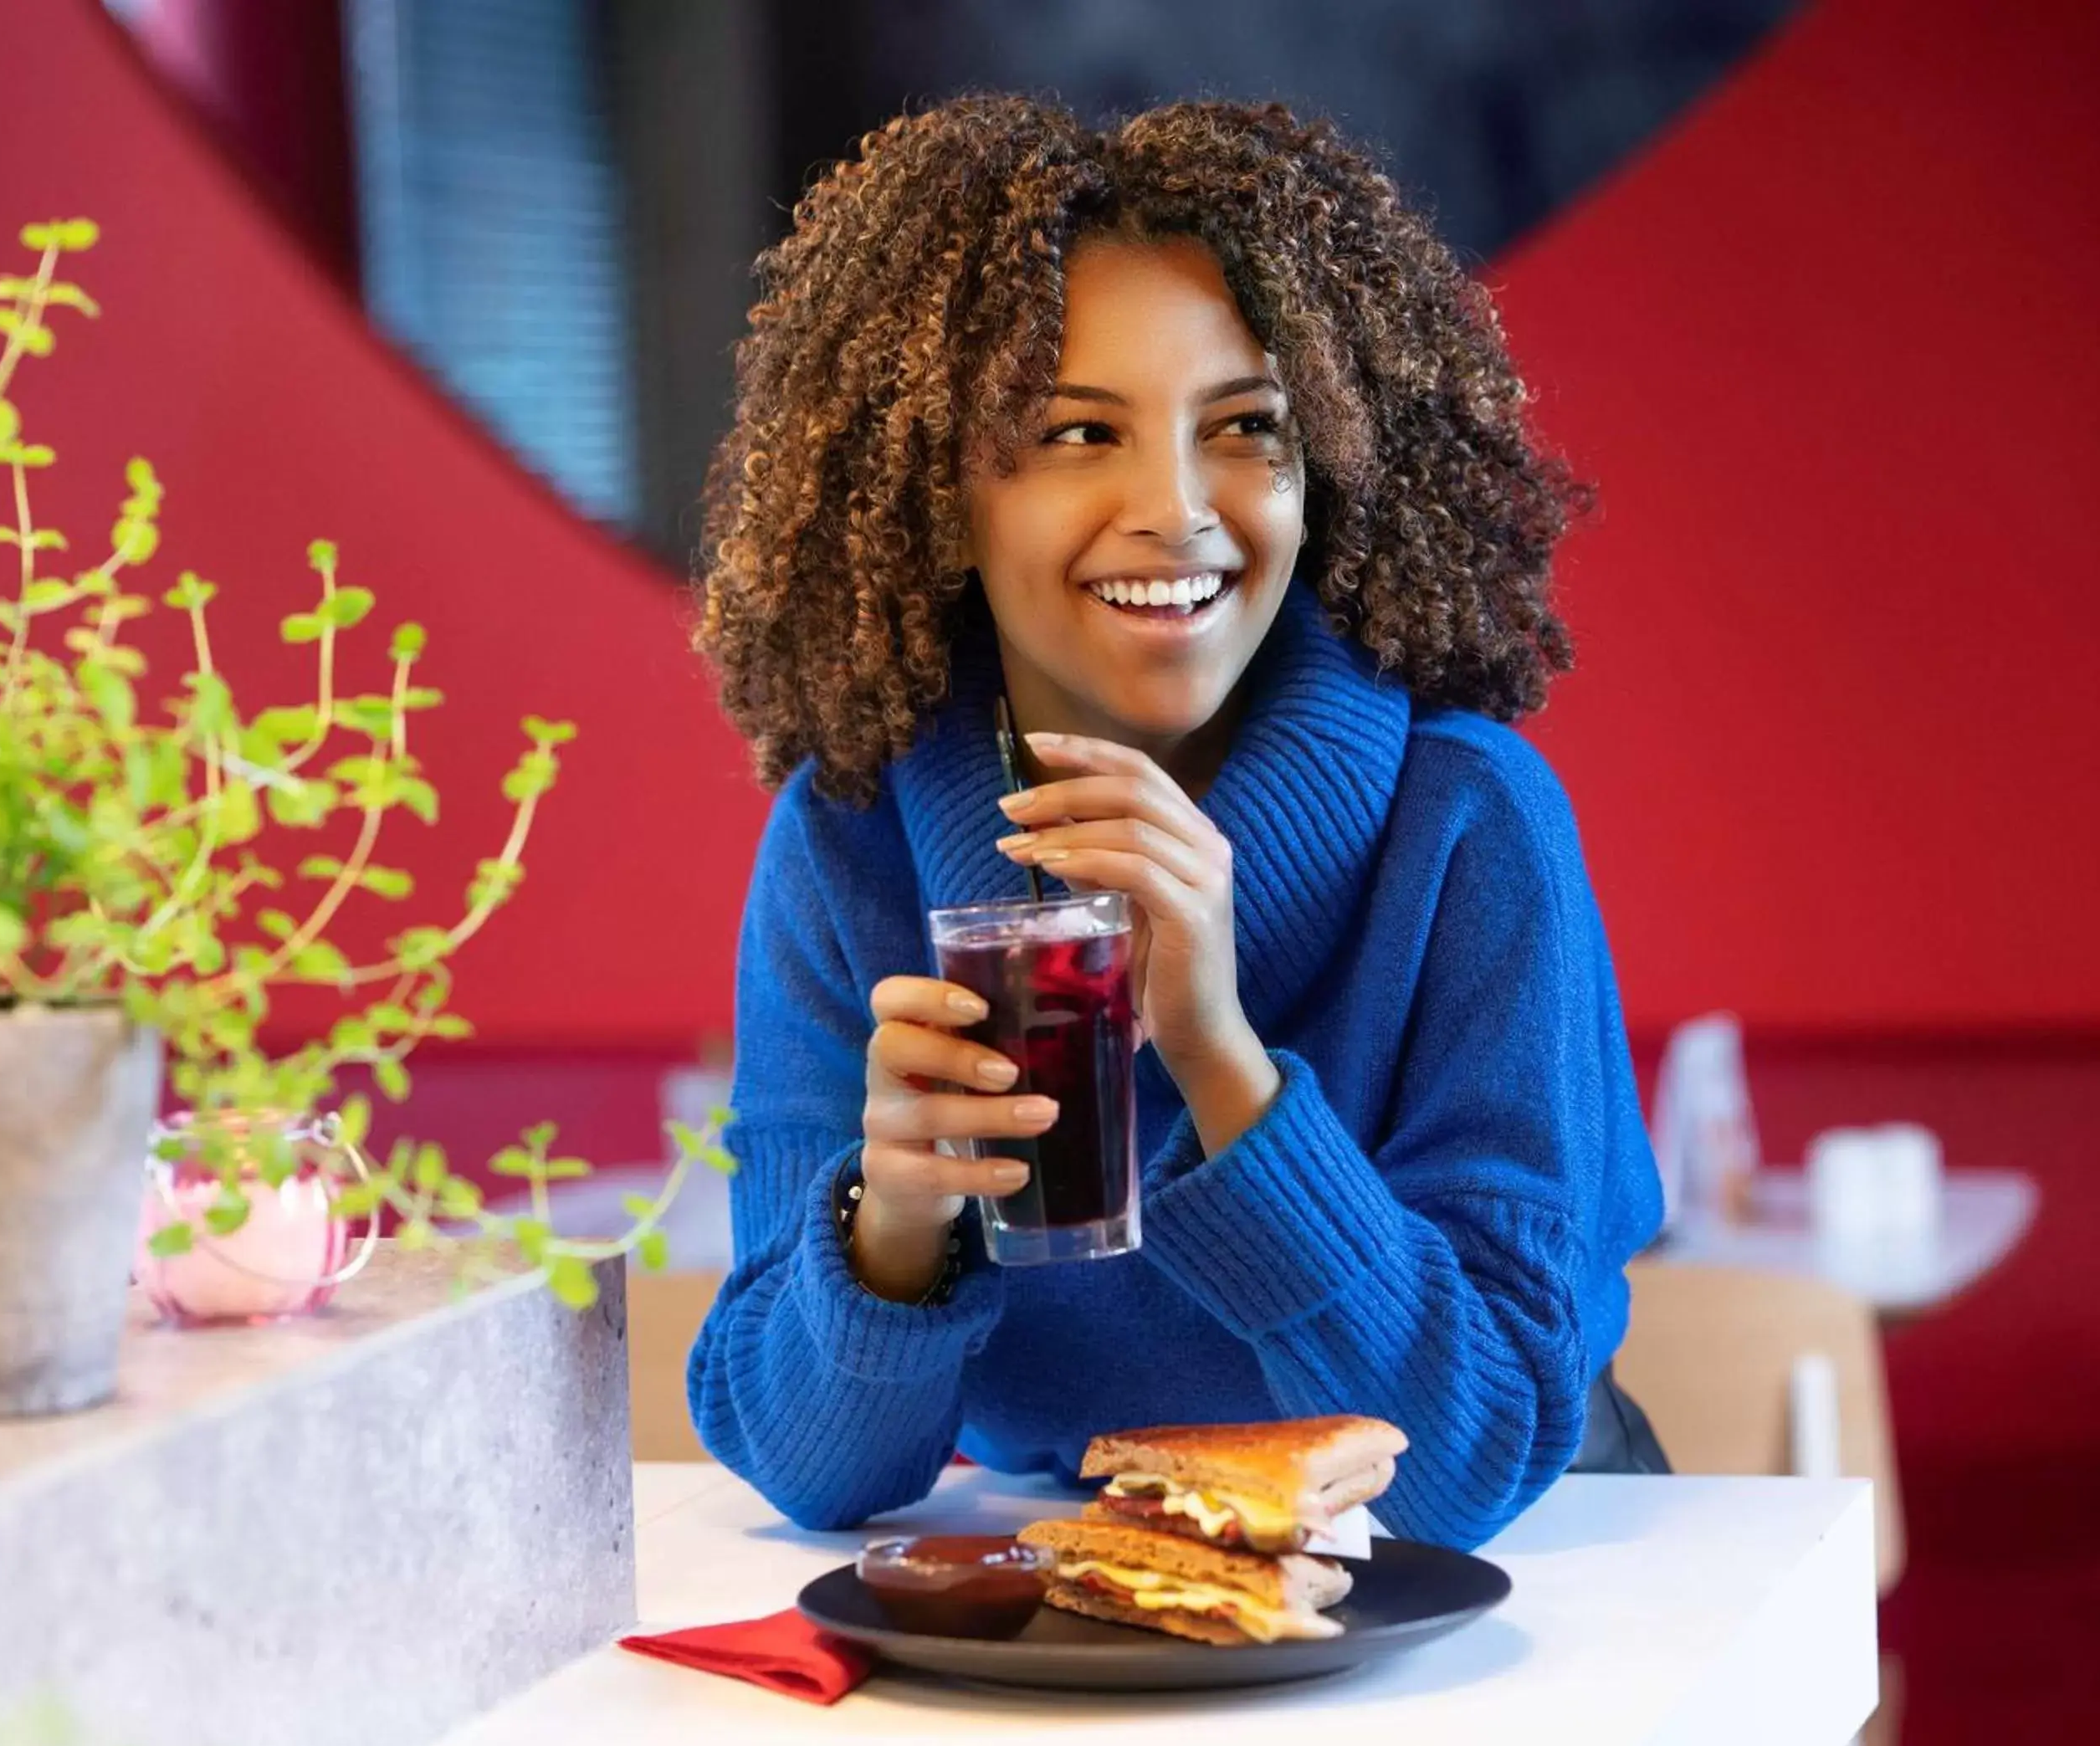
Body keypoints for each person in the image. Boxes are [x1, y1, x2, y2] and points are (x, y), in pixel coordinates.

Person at [685, 95, 1667, 1548]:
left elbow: (1475, 1461)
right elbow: (812, 1475)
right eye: (1080, 431)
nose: (1178, 509)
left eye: (1247, 428)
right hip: (1111, 1583)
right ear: (940, 494)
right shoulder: (850, 842)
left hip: (1507, 1590)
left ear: (1326, 462)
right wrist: (888, 1225)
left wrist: (1219, 1057)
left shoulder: (1470, 827)